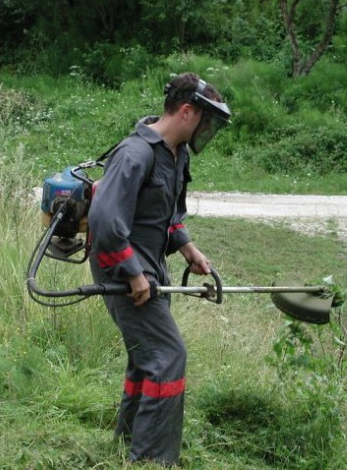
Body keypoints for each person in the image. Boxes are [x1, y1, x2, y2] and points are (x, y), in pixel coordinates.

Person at [87, 72, 231, 466]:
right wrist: (132, 273)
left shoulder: (175, 152)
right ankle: (150, 459)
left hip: (150, 268)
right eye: (207, 121)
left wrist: (188, 249)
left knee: (146, 357)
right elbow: (104, 222)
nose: (208, 130)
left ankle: (128, 440)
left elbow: (166, 216)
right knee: (168, 356)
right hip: (122, 272)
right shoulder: (135, 154)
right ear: (187, 111)